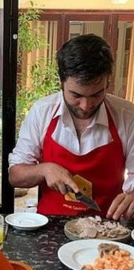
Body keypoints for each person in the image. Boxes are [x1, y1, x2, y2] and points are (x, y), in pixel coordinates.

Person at [9, 33, 134, 221]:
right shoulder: (42, 112)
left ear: (108, 81)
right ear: (61, 82)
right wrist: (44, 169)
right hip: (50, 225)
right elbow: (15, 176)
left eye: (96, 95)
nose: (86, 105)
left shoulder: (127, 116)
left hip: (108, 226)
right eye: (76, 95)